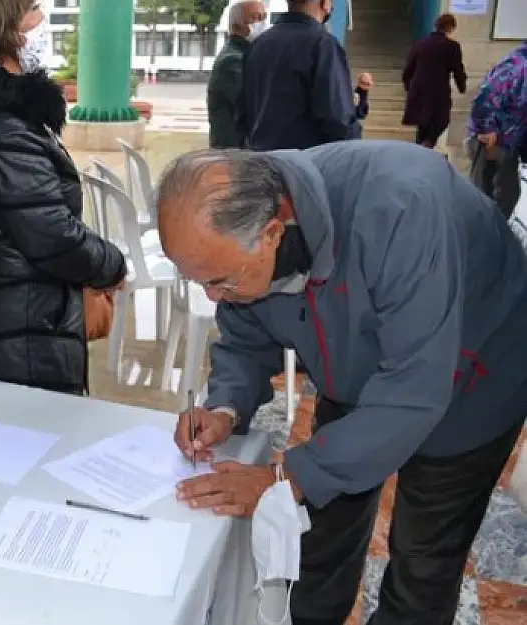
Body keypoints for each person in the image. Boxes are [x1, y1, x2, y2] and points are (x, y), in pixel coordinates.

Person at [155, 144, 527, 625]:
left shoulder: (401, 209)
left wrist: (284, 478)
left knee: (422, 558)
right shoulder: (250, 225)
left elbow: (413, 391)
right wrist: (224, 406)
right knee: (323, 528)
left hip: (475, 377)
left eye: (221, 282)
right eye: (199, 282)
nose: (212, 297)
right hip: (358, 367)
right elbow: (245, 336)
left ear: (273, 232)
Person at [0, 0, 127, 395]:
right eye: (33, 10)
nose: (42, 21)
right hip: (17, 335)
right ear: (4, 29)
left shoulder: (5, 116)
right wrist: (111, 265)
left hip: (23, 319)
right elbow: (52, 235)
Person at [241, 0, 373, 150]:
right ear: (325, 4)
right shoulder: (323, 45)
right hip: (306, 163)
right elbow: (338, 122)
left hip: (261, 161)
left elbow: (242, 111)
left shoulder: (258, 45)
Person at [467, 40, 527, 219]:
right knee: (497, 194)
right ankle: (486, 237)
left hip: (507, 140)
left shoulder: (517, 63)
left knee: (502, 194)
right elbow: (485, 98)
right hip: (495, 140)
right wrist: (489, 132)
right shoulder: (518, 67)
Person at [207, 0, 267, 148]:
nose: (262, 23)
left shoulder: (248, 54)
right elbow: (254, 104)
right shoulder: (232, 61)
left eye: (263, 17)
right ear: (236, 26)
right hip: (232, 152)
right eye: (255, 18)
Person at [402, 13, 468, 148]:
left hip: (419, 91)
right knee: (441, 122)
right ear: (450, 28)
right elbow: (458, 70)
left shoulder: (420, 44)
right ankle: (427, 145)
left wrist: (410, 88)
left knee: (423, 127)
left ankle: (422, 149)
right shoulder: (452, 47)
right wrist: (462, 86)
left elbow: (408, 70)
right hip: (439, 93)